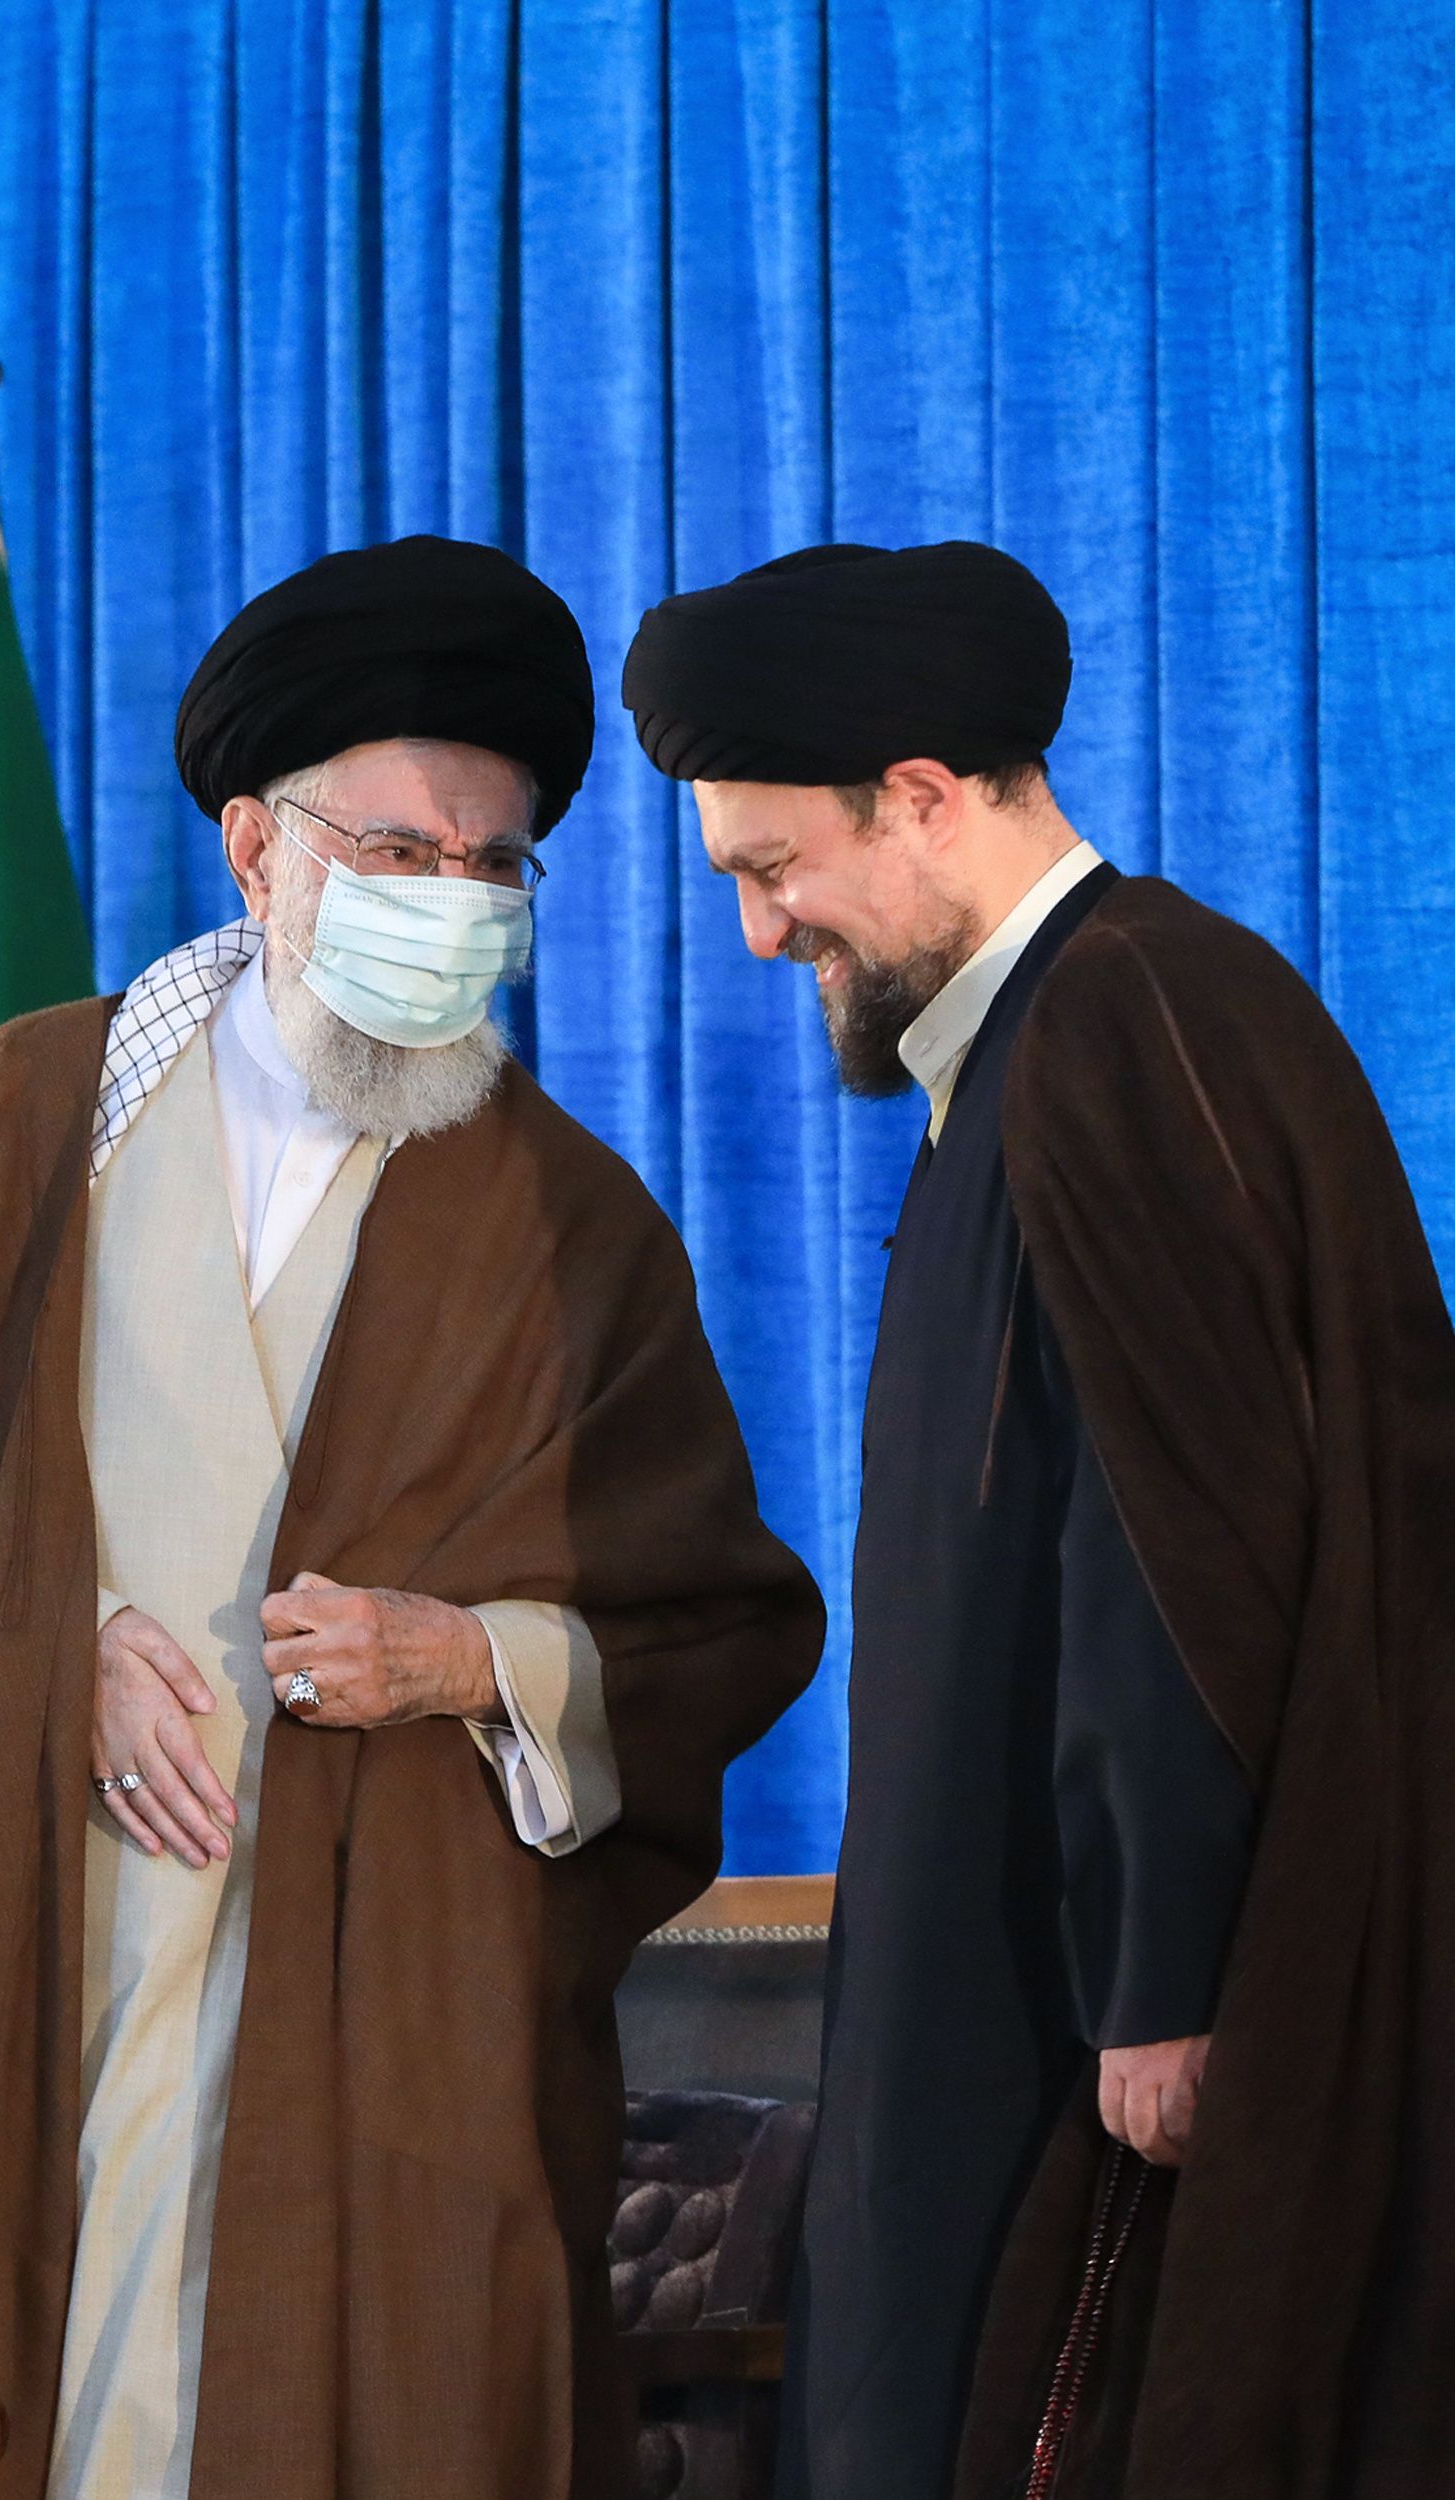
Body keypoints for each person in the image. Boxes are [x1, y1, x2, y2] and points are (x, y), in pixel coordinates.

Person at [0, 534, 823, 2500]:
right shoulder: (17, 1122)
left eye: (489, 865)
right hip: (36, 1956)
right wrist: (54, 1641)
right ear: (258, 847)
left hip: (380, 2024)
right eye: (398, 850)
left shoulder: (572, 1224)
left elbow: (718, 1624)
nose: (448, 902)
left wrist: (478, 1658)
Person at [623, 539, 1455, 2499]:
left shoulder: (1119, 1027)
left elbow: (1188, 1541)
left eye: (771, 865)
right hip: (1029, 1993)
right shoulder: (1055, 1037)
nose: (756, 931)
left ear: (921, 791)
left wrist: (1168, 1979)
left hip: (1103, 2041)